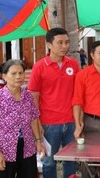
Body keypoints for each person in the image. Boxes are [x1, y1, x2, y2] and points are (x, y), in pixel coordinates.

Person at [28, 28, 79, 178]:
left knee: (70, 160)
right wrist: (37, 124)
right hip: (49, 123)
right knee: (49, 162)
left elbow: (78, 94)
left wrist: (79, 121)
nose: (65, 46)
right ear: (49, 45)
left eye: (67, 42)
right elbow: (34, 98)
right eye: (60, 43)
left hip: (71, 122)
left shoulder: (74, 64)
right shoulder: (39, 66)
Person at [73, 40, 100, 178]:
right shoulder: (82, 75)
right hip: (90, 122)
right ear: (92, 55)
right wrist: (78, 125)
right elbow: (77, 102)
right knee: (89, 158)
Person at [0, 60, 45, 178]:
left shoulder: (28, 96)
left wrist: (38, 141)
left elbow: (33, 119)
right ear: (4, 76)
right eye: (13, 73)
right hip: (4, 149)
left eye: (21, 73)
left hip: (27, 148)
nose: (18, 76)